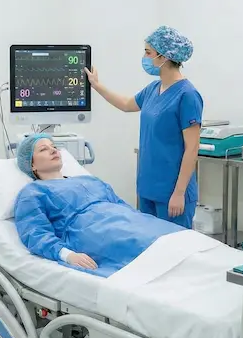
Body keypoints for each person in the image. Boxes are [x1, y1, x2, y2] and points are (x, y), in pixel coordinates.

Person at [13, 134, 184, 277]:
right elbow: (35, 233)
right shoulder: (33, 193)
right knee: (155, 255)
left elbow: (124, 207)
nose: (53, 150)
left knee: (177, 239)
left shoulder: (89, 180)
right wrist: (67, 255)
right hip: (93, 232)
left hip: (130, 222)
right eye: (43, 149)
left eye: (53, 146)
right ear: (32, 164)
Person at [84, 25, 203, 229]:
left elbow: (192, 149)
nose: (145, 57)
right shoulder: (153, 89)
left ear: (164, 56)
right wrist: (96, 85)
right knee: (150, 249)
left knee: (173, 250)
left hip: (172, 193)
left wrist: (180, 193)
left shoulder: (187, 95)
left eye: (148, 52)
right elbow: (126, 104)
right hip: (149, 188)